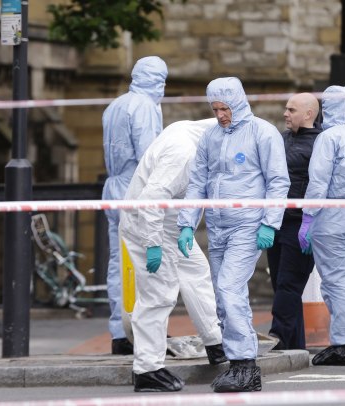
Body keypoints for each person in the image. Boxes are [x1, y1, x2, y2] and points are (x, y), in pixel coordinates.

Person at [177, 77, 290, 392]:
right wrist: (187, 223)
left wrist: (270, 222)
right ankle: (238, 362)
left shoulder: (262, 133)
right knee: (223, 297)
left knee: (229, 288)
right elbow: (198, 180)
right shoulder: (211, 137)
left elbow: (278, 180)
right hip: (218, 226)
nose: (220, 114)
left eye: (225, 107)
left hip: (248, 224)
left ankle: (245, 365)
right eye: (215, 108)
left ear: (238, 103)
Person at [120, 118, 225, 392]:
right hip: (148, 225)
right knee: (158, 294)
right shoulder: (184, 153)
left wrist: (186, 226)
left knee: (196, 274)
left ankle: (215, 342)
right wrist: (153, 244)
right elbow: (150, 200)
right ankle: (147, 369)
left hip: (172, 225)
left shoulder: (195, 136)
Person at [102, 56, 168, 355]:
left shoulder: (115, 105)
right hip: (136, 190)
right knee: (145, 264)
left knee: (119, 263)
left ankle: (120, 331)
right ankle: (141, 332)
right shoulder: (144, 107)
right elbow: (148, 154)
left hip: (113, 188)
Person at [298, 86, 345, 366]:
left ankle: (344, 344)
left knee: (336, 282)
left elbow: (318, 182)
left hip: (333, 216)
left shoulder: (328, 138)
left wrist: (307, 218)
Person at [266, 92, 320, 350]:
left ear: (308, 114)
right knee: (280, 284)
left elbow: (321, 185)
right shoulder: (281, 139)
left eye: (292, 110)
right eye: (286, 109)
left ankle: (279, 337)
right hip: (278, 221)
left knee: (289, 283)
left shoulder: (320, 143)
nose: (285, 114)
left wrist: (312, 222)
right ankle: (295, 346)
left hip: (300, 223)